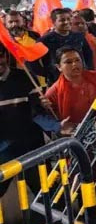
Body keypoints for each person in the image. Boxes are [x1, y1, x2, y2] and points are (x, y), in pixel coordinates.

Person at [0, 44, 59, 197]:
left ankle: (56, 213)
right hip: (3, 149)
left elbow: (36, 112)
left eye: (0, 56)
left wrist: (57, 126)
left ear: (6, 56)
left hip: (30, 146)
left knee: (46, 192)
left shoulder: (25, 77)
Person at [4, 10, 53, 85]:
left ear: (23, 21)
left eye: (17, 21)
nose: (14, 24)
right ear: (6, 24)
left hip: (40, 80)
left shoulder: (35, 36)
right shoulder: (5, 41)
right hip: (18, 82)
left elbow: (44, 56)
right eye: (10, 22)